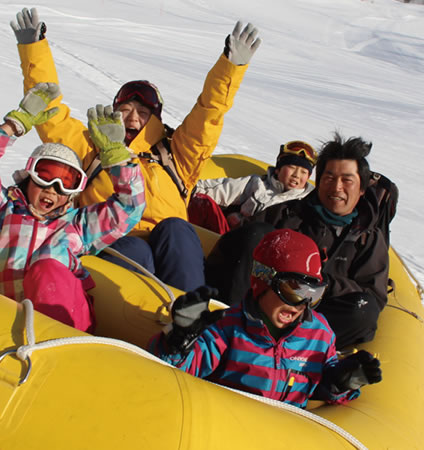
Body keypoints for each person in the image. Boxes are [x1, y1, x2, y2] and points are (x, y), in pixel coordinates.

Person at [9, 7, 262, 291]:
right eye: (125, 109)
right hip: (113, 241)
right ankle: (140, 320)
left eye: (142, 112)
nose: (132, 118)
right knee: (134, 249)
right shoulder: (91, 148)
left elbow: (209, 113)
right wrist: (33, 49)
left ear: (155, 118)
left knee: (177, 229)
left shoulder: (175, 153)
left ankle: (194, 313)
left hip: (170, 245)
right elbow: (51, 110)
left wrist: (231, 67)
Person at [0, 82, 145, 332]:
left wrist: (117, 157)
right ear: (28, 176)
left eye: (67, 182)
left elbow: (130, 207)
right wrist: (14, 125)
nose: (53, 188)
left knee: (47, 269)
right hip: (5, 323)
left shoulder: (75, 227)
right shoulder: (0, 211)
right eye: (45, 174)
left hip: (63, 324)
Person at [149, 229, 382, 409]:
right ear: (263, 281)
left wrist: (343, 381)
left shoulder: (318, 335)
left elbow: (320, 385)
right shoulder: (228, 328)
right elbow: (176, 371)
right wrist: (180, 339)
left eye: (313, 294)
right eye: (294, 290)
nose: (302, 304)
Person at [205, 132, 392, 349]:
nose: (337, 187)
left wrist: (320, 284)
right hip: (261, 307)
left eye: (346, 180)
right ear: (319, 182)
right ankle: (233, 333)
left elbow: (373, 296)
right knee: (256, 234)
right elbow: (234, 251)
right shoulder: (285, 214)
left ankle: (301, 355)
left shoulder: (368, 238)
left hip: (312, 328)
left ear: (361, 189)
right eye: (329, 178)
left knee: (363, 309)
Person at [188, 140, 316, 233]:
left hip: (274, 251)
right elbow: (223, 190)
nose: (296, 175)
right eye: (292, 168)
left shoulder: (309, 201)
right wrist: (189, 187)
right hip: (239, 239)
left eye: (304, 172)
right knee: (200, 202)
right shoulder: (259, 184)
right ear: (278, 169)